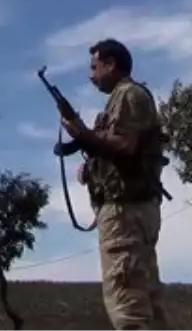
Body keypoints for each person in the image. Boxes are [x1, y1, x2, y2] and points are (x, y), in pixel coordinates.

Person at [55, 38, 171, 331]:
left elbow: (123, 147)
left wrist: (81, 132)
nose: (90, 75)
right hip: (133, 209)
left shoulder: (128, 94)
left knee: (127, 308)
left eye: (95, 67)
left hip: (124, 213)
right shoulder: (125, 97)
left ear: (111, 64)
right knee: (147, 306)